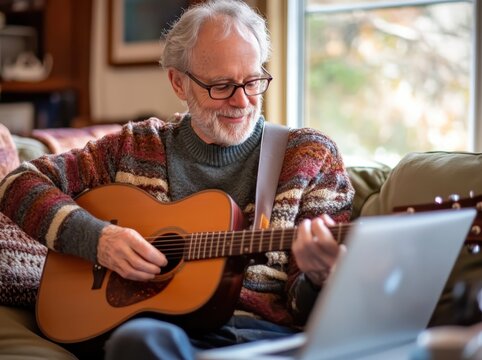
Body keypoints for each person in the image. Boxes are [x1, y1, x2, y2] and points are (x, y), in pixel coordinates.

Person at [0, 0, 354, 359]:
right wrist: (98, 239)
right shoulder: (134, 146)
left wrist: (319, 277)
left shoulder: (309, 157)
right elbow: (18, 184)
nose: (242, 101)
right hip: (159, 335)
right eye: (221, 86)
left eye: (252, 81)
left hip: (260, 339)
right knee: (139, 341)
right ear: (178, 83)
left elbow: (315, 312)